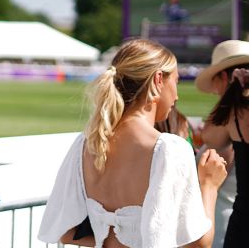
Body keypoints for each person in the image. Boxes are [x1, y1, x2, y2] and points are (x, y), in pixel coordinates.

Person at [39, 38, 227, 247]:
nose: (177, 95)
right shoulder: (169, 149)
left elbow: (66, 232)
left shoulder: (86, 144)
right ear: (158, 80)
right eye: (176, 81)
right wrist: (209, 184)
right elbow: (198, 244)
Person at [196, 39, 249, 247]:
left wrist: (229, 98)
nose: (213, 90)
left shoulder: (236, 114)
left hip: (238, 225)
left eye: (215, 81)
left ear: (224, 77)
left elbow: (211, 139)